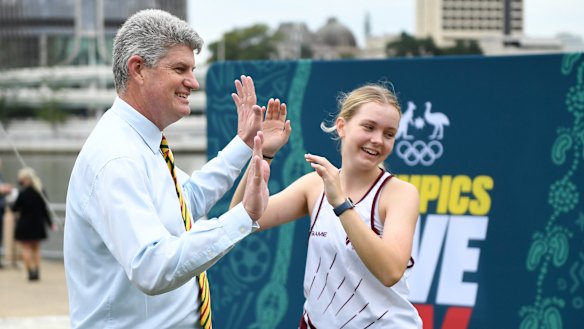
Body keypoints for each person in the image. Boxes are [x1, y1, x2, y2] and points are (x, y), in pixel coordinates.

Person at [63, 9, 270, 329]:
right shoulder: (118, 157)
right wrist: (243, 217)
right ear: (138, 69)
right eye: (180, 68)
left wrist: (243, 144)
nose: (194, 82)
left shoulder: (138, 142)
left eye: (193, 69)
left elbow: (183, 201)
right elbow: (151, 266)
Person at [231, 84, 423, 328]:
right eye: (369, 127)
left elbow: (390, 272)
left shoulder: (400, 194)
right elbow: (239, 219)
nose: (377, 140)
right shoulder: (314, 185)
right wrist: (263, 154)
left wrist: (341, 203)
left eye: (389, 134)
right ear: (342, 126)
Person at [10, 167, 55, 280]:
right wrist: (50, 223)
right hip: (37, 225)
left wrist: (10, 202)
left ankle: (30, 272)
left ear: (25, 179)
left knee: (26, 248)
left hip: (24, 225)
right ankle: (37, 271)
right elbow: (45, 210)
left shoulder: (22, 193)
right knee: (36, 248)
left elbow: (14, 208)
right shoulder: (41, 192)